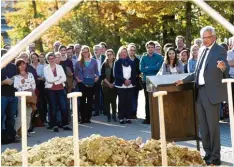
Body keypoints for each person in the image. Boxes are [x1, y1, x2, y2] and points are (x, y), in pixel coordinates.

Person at [175, 26, 229, 165]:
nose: (205, 40)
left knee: (213, 127)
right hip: (200, 93)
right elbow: (196, 72)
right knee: (203, 127)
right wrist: (184, 80)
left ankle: (216, 157)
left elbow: (225, 68)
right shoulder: (202, 50)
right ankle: (208, 153)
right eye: (203, 37)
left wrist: (223, 66)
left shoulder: (220, 50)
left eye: (208, 37)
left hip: (212, 94)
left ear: (214, 37)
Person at [44, 52, 72, 132]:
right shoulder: (46, 68)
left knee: (63, 107)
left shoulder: (59, 67)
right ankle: (54, 125)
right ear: (47, 60)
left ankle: (65, 124)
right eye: (50, 59)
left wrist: (54, 81)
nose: (52, 60)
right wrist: (58, 78)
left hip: (60, 89)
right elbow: (48, 80)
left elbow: (63, 78)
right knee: (53, 107)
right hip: (50, 90)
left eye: (53, 58)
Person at [140, 41, 163, 124]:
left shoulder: (159, 57)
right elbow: (142, 69)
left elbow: (159, 68)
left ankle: (157, 118)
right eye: (149, 47)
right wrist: (153, 67)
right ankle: (148, 118)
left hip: (156, 81)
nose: (150, 49)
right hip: (146, 81)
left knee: (156, 99)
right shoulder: (143, 57)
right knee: (147, 99)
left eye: (152, 47)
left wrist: (148, 67)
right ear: (147, 48)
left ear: (154, 48)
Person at [75, 45, 99, 124]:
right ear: (81, 53)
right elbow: (75, 73)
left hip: (91, 83)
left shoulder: (93, 61)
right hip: (82, 83)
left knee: (90, 101)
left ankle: (88, 118)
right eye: (83, 52)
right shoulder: (78, 62)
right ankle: (82, 118)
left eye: (86, 51)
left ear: (89, 52)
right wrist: (78, 79)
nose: (85, 53)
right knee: (82, 101)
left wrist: (97, 78)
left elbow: (97, 72)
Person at [114, 46, 136, 124]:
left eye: (125, 52)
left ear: (127, 53)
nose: (123, 53)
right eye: (122, 52)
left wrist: (130, 81)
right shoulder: (117, 62)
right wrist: (124, 81)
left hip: (130, 85)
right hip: (121, 85)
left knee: (129, 101)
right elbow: (116, 74)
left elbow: (134, 73)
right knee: (122, 102)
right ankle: (121, 117)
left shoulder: (131, 62)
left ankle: (128, 117)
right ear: (119, 53)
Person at [14, 59, 37, 133]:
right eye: (20, 65)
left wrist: (26, 88)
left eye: (24, 64)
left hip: (30, 97)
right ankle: (16, 132)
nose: (22, 66)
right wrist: (24, 84)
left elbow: (33, 86)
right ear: (17, 66)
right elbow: (17, 87)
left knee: (28, 115)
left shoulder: (30, 74)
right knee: (20, 116)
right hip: (20, 98)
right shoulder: (16, 77)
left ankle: (24, 132)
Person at [1, 49, 19, 144]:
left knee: (11, 117)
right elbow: (7, 81)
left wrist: (6, 81)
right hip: (2, 96)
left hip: (13, 95)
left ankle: (10, 136)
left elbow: (15, 80)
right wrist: (6, 81)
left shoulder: (13, 66)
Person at [100, 49, 117, 122]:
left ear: (113, 55)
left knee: (113, 101)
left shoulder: (116, 63)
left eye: (110, 54)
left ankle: (114, 115)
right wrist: (109, 84)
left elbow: (118, 75)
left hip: (115, 85)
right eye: (108, 55)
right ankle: (108, 116)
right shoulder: (104, 64)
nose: (109, 56)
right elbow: (102, 76)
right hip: (106, 85)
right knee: (106, 101)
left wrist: (113, 83)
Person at [128, 43, 141, 119]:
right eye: (130, 50)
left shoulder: (137, 60)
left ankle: (134, 113)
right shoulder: (125, 59)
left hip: (135, 81)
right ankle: (127, 112)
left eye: (133, 50)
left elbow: (139, 71)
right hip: (126, 81)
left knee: (135, 97)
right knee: (127, 97)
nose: (132, 52)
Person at [92, 44, 106, 116]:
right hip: (96, 78)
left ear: (101, 50)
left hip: (104, 77)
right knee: (96, 95)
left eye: (97, 49)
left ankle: (105, 110)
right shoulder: (91, 59)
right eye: (94, 50)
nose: (95, 51)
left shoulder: (105, 57)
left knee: (104, 94)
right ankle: (97, 110)